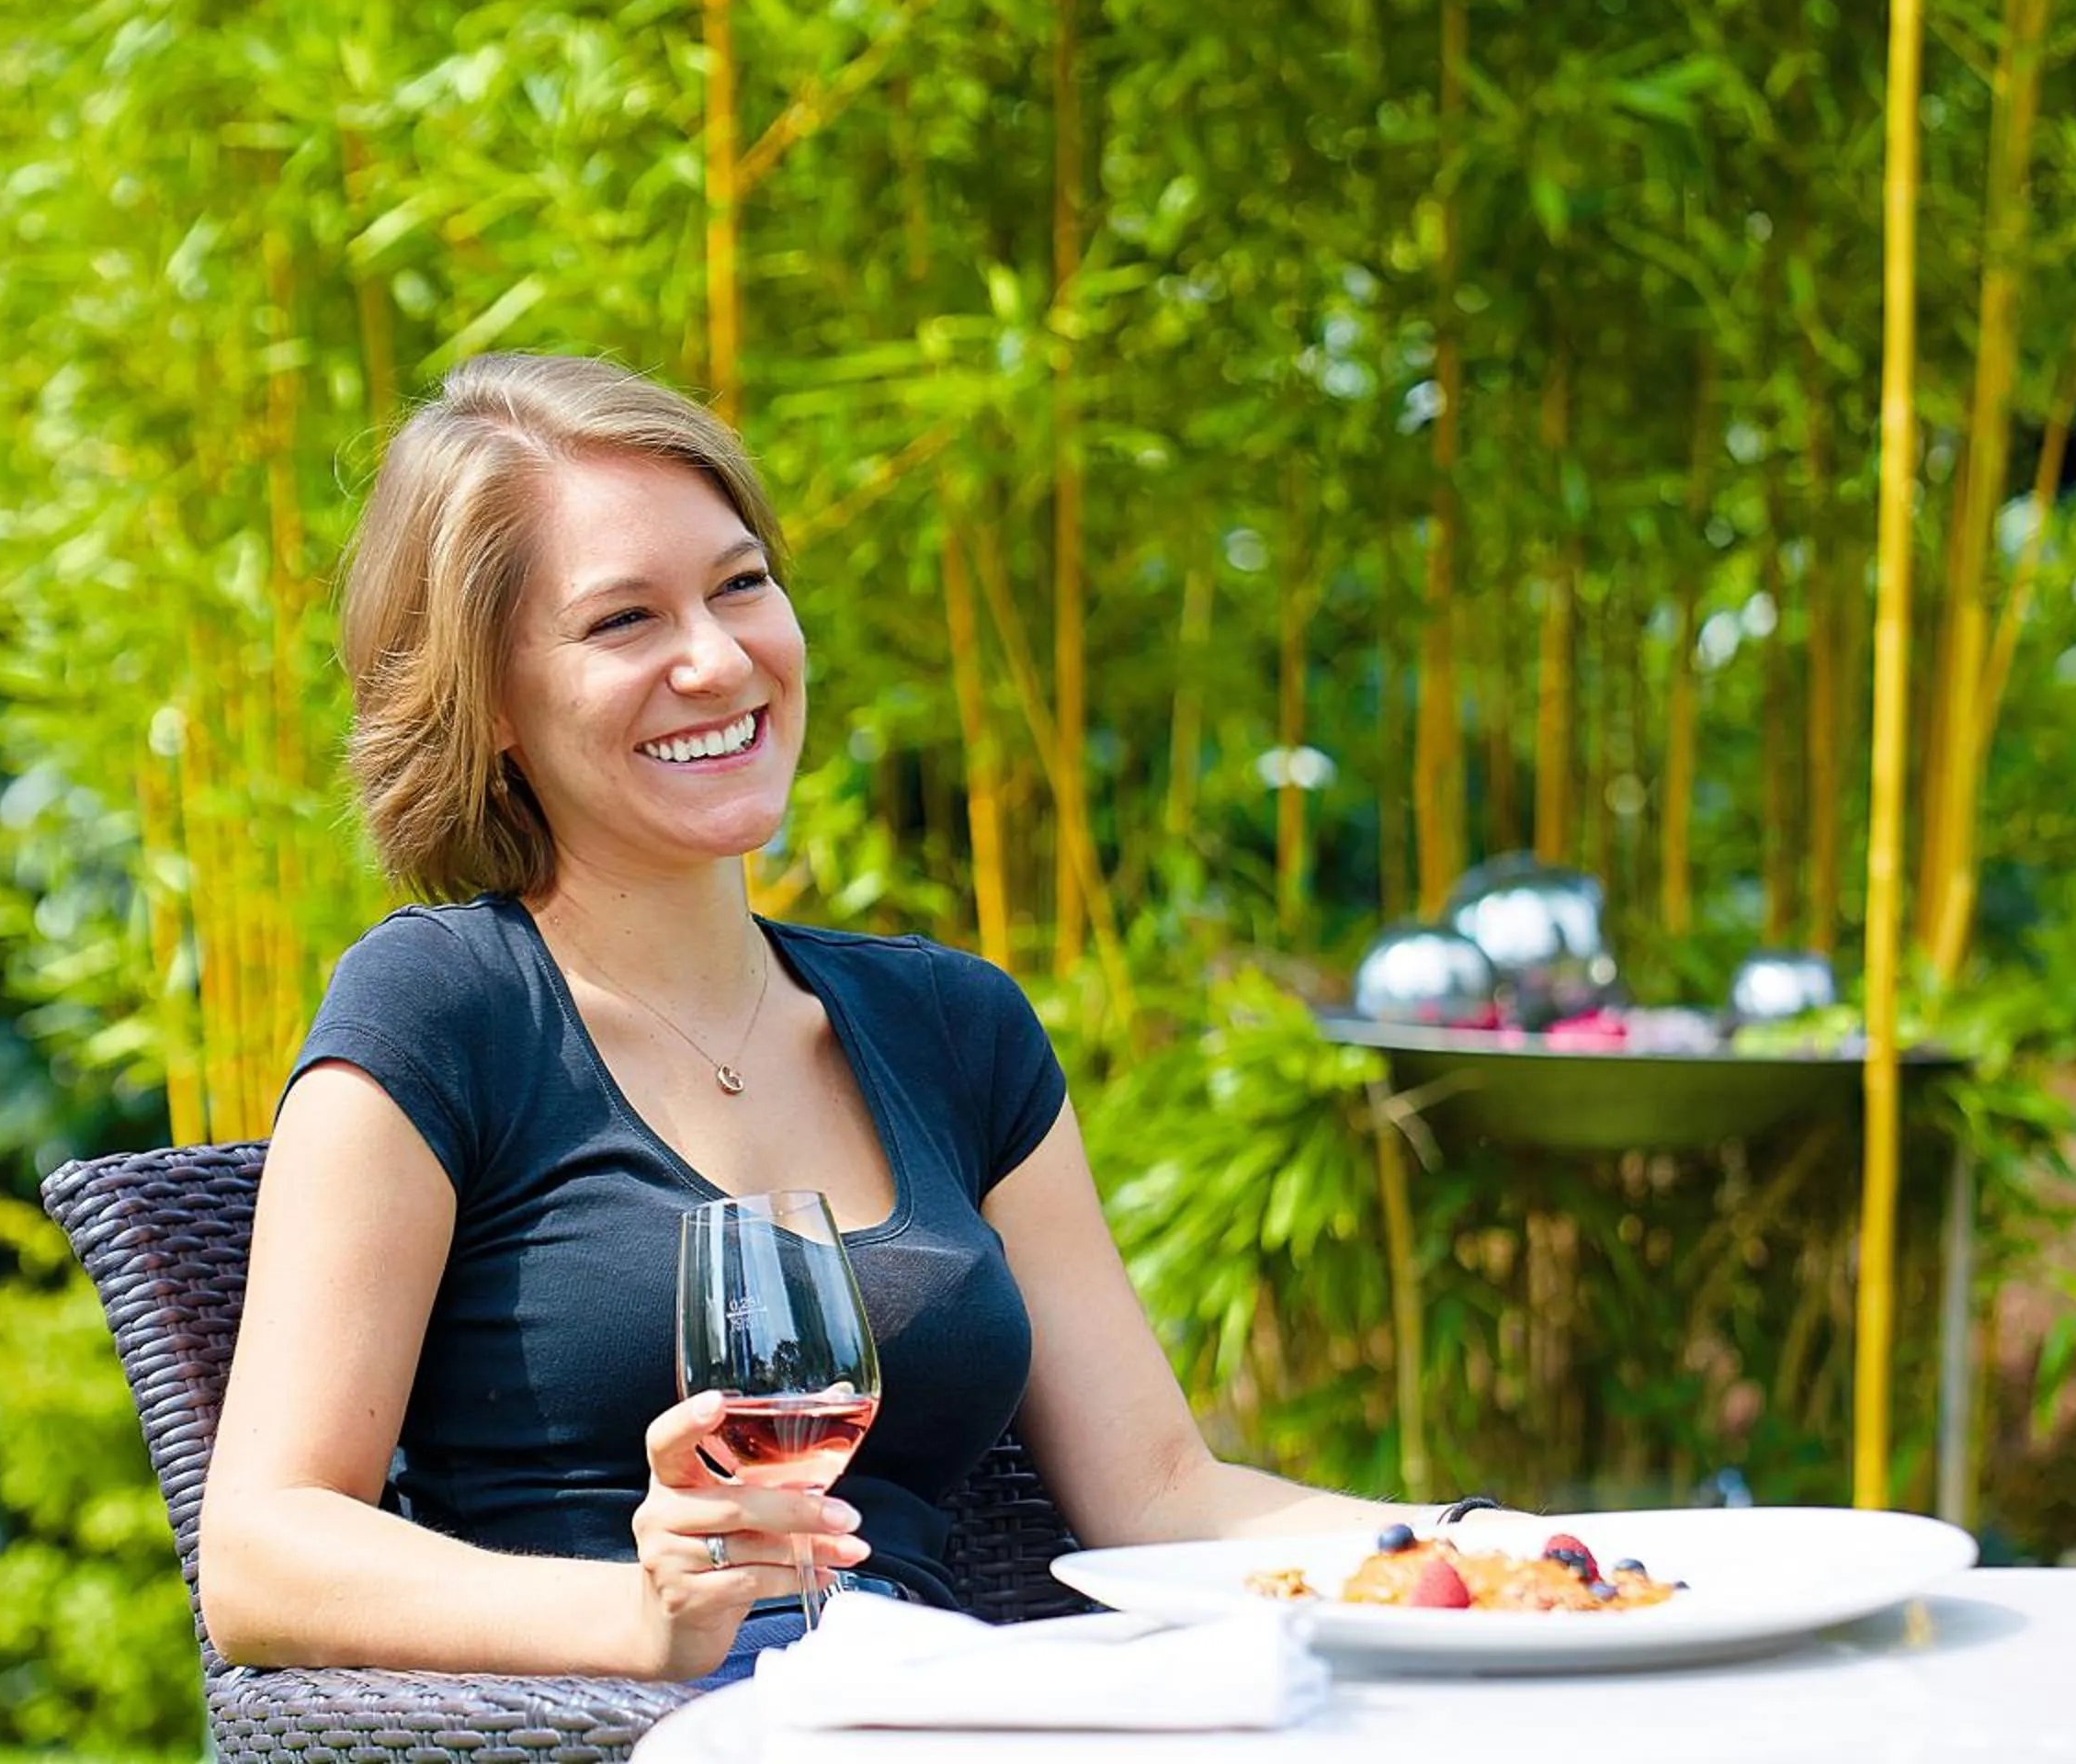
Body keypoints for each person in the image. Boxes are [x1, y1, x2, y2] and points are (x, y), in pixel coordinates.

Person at [197, 353, 1515, 1686]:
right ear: (487, 709)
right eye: (623, 623)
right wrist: (645, 1619)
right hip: (606, 1721)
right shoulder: (442, 1012)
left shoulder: (956, 1027)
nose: (717, 660)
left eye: (741, 584)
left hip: (934, 1705)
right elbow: (261, 1555)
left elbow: (1163, 1490)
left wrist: (1494, 1557)